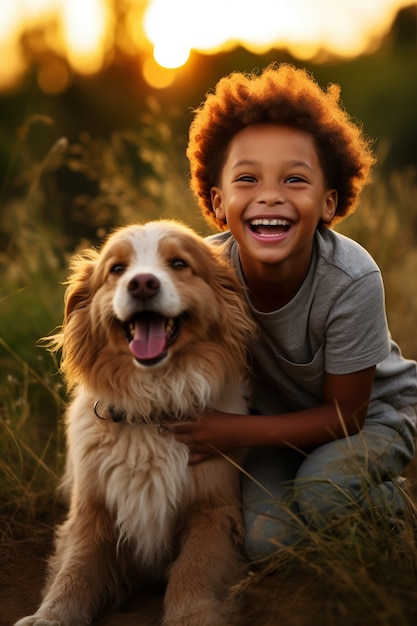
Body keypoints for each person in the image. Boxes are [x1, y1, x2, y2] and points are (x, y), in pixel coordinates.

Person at [172, 64, 417, 562]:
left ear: (329, 202)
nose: (270, 194)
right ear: (218, 203)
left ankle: (396, 510)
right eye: (247, 178)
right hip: (273, 428)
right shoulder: (203, 273)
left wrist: (232, 432)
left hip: (372, 419)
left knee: (323, 496)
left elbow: (346, 414)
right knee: (268, 543)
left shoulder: (351, 278)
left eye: (294, 179)